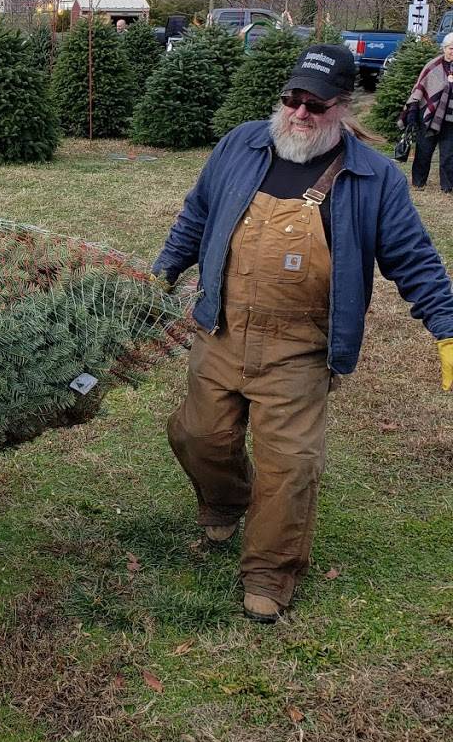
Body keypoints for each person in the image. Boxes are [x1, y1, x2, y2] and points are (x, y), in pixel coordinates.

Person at [152, 44, 453, 624]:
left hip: (299, 349)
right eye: (292, 98)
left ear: (341, 107)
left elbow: (415, 261)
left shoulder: (374, 179)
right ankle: (224, 496)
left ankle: (270, 571)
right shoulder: (241, 146)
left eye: (315, 104)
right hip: (220, 328)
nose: (300, 112)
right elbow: (197, 214)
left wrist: (447, 327)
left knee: (289, 466)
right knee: (196, 436)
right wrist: (162, 273)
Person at [402, 31, 453, 193]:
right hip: (429, 117)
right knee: (424, 150)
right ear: (444, 48)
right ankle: (418, 182)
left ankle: (447, 186)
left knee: (448, 154)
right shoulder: (433, 66)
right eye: (451, 48)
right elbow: (419, 91)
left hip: (450, 120)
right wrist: (411, 114)